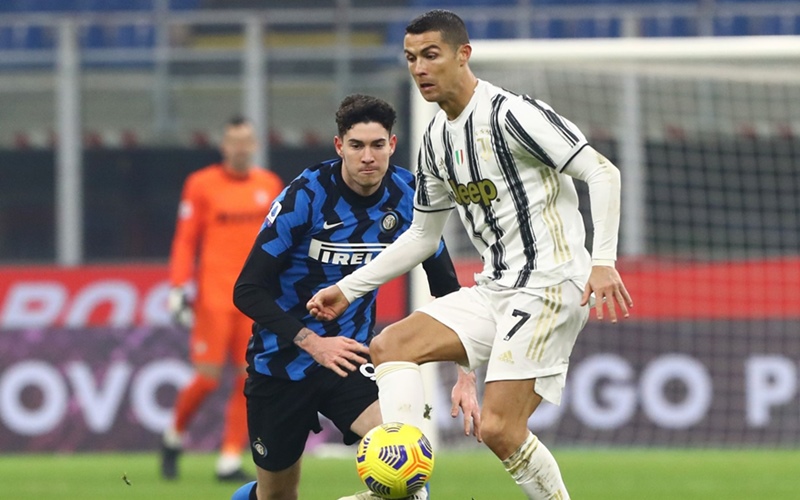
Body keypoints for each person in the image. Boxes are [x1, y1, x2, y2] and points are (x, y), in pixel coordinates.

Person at [307, 10, 634, 500]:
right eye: (411, 58)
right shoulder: (436, 139)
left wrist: (603, 260)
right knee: (391, 346)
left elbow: (602, 172)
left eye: (430, 55)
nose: (419, 68)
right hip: (495, 287)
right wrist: (348, 289)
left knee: (499, 428)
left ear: (463, 55)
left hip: (550, 283)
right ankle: (407, 490)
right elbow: (422, 237)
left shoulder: (512, 115)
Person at [229, 94, 464, 500]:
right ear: (340, 146)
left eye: (377, 145)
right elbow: (247, 289)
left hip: (350, 359)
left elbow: (444, 283)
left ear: (392, 144)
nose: (367, 157)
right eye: (356, 145)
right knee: (277, 496)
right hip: (281, 363)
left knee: (405, 463)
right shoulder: (306, 196)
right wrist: (313, 343)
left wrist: (465, 369)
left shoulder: (409, 196)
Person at [162, 116, 285, 482]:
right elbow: (186, 239)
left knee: (250, 378)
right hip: (214, 297)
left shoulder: (269, 185)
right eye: (234, 141)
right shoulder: (201, 185)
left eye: (246, 141)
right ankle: (173, 435)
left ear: (255, 145)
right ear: (223, 146)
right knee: (207, 379)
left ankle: (229, 458)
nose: (240, 148)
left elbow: (280, 241)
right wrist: (178, 286)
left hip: (255, 299)